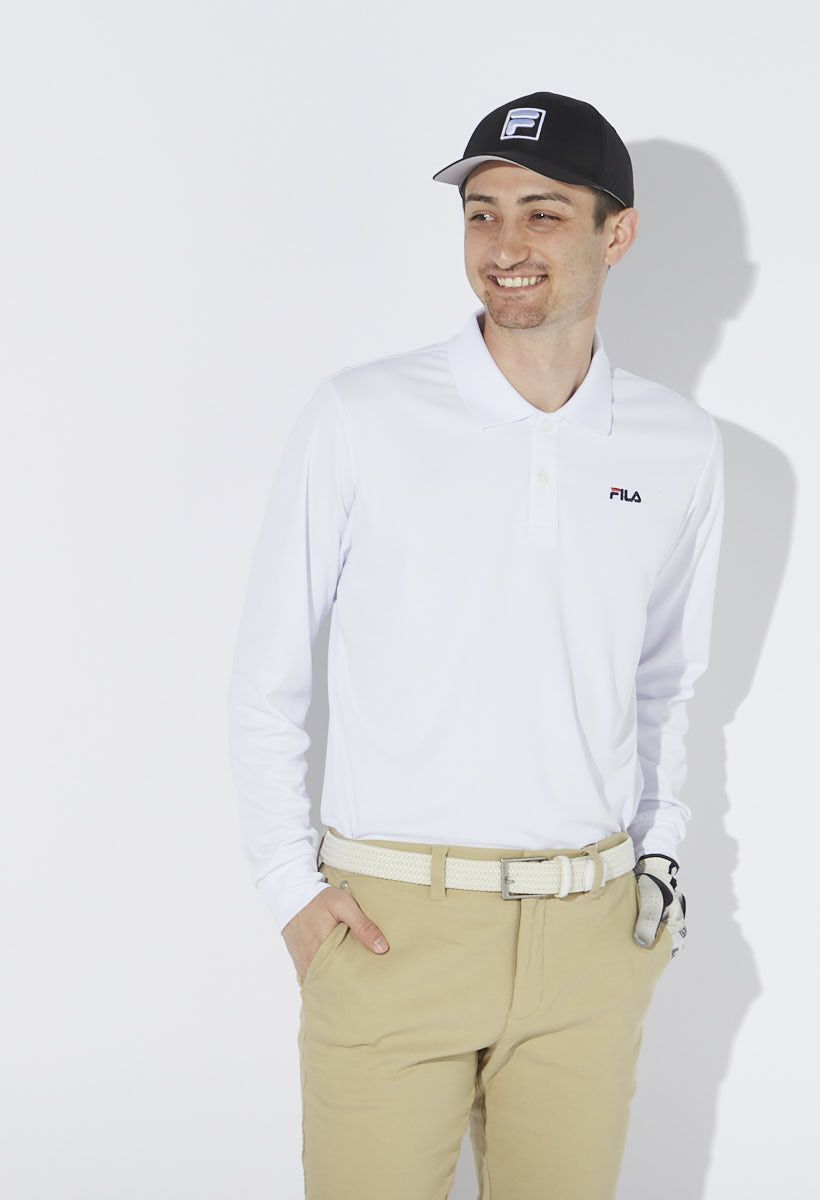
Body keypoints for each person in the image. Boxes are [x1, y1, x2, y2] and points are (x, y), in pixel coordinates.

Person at [227, 90, 725, 1200]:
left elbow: (668, 683)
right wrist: (288, 888)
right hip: (392, 929)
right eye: (482, 213)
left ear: (617, 234)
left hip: (589, 937)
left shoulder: (678, 446)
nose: (505, 246)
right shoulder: (362, 415)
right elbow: (268, 677)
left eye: (543, 214)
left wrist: (656, 867)